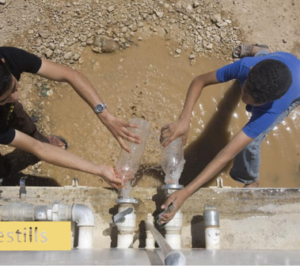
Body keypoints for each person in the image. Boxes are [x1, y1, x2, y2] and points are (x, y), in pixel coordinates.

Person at [159, 44, 300, 223]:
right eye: (246, 91)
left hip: (295, 88)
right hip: (277, 63)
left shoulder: (274, 107)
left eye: (253, 101)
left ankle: (251, 180)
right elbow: (199, 81)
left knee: (251, 143)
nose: (245, 100)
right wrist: (184, 120)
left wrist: (187, 191)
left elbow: (227, 154)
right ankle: (259, 51)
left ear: (272, 101)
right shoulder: (245, 66)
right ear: (251, 71)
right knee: (260, 65)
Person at [0, 46, 141, 188]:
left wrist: (106, 117)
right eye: (5, 98)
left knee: (20, 117)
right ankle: (5, 175)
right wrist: (99, 170)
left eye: (14, 86)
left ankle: (35, 138)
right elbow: (39, 148)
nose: (17, 96)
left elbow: (70, 75)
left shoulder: (8, 58)